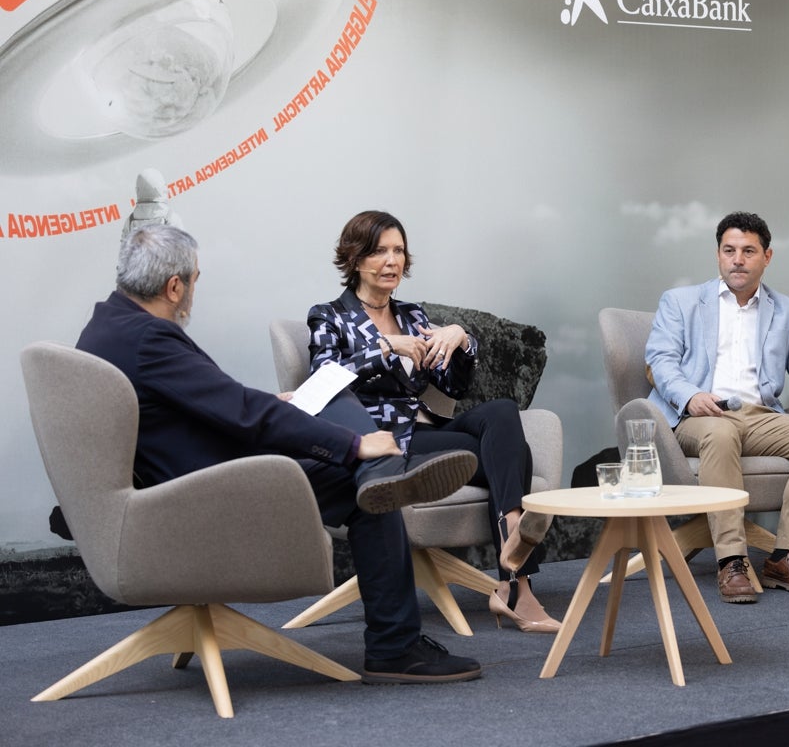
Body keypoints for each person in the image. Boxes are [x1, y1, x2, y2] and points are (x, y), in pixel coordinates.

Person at [76, 223, 483, 683]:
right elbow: (241, 411)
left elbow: (214, 401)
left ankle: (380, 472)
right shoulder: (149, 339)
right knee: (368, 483)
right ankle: (394, 645)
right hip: (208, 489)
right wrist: (353, 443)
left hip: (179, 480)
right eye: (194, 280)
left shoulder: (107, 326)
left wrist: (278, 405)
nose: (193, 291)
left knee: (335, 399)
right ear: (174, 287)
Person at [307, 210, 560, 633]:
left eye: (399, 251)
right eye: (379, 251)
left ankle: (513, 540)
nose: (392, 261)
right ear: (354, 259)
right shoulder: (328, 316)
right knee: (511, 455)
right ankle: (517, 585)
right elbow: (324, 381)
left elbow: (454, 386)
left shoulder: (411, 314)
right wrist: (387, 347)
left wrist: (461, 339)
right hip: (384, 444)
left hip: (425, 430)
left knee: (501, 411)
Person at [646, 211, 789, 604]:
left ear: (766, 257)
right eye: (729, 250)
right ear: (718, 255)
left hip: (757, 415)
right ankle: (732, 561)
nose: (738, 259)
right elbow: (660, 361)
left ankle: (787, 555)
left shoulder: (783, 309)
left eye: (748, 251)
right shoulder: (681, 301)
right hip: (698, 416)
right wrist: (690, 395)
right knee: (721, 432)